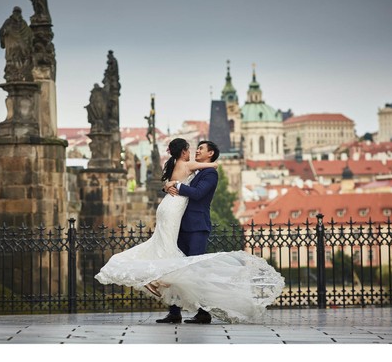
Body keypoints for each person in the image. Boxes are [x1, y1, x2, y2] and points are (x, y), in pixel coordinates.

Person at [95, 138, 284, 324]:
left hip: (196, 226)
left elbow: (197, 193)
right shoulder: (193, 170)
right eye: (197, 148)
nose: (197, 151)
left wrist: (176, 185)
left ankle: (203, 312)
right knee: (174, 263)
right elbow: (176, 182)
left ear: (211, 153)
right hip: (180, 225)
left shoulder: (210, 174)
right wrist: (169, 185)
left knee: (195, 269)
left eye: (201, 148)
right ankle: (174, 311)